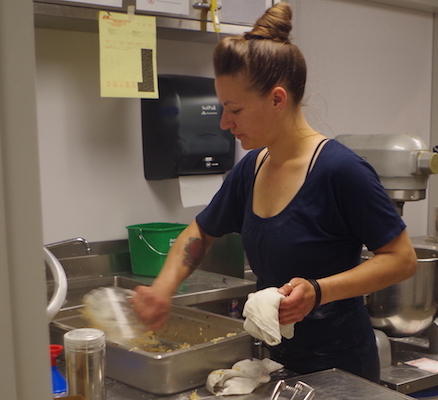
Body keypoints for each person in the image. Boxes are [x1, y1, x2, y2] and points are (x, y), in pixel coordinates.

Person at [131, 2, 417, 383]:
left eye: (235, 109)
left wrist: (319, 291)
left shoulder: (340, 170)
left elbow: (401, 259)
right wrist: (163, 290)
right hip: (278, 364)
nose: (224, 122)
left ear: (277, 100)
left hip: (341, 370)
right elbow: (200, 231)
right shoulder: (251, 169)